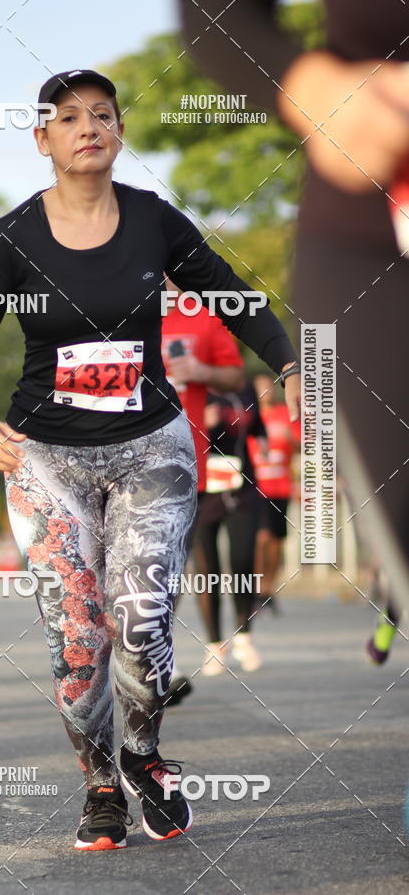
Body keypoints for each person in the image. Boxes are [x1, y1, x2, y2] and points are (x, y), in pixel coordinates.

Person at [0, 68, 300, 851]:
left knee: (140, 619)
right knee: (78, 637)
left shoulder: (153, 220)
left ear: (120, 132)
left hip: (151, 449)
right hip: (48, 460)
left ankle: (145, 757)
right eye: (69, 119)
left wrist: (292, 362)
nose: (88, 127)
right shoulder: (12, 239)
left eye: (103, 114)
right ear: (43, 139)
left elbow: (232, 296)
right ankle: (101, 785)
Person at [178, 0, 409, 618]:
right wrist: (309, 84)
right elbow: (216, 11)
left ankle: (250, 612)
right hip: (375, 229)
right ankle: (233, 628)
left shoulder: (212, 325)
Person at [161, 279, 244, 705]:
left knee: (163, 565)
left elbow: (236, 374)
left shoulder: (202, 317)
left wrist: (204, 373)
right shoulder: (109, 304)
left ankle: (159, 665)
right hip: (110, 456)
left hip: (180, 462)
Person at [193, 380, 267, 675]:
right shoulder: (193, 388)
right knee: (206, 570)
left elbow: (258, 423)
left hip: (242, 488)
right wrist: (200, 424)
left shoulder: (245, 389)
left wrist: (263, 440)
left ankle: (244, 636)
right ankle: (213, 644)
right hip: (203, 491)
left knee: (243, 561)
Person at [249, 372, 301, 615]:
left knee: (277, 540)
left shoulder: (284, 414)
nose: (264, 392)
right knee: (261, 536)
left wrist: (290, 438)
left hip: (281, 487)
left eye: (267, 387)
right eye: (259, 388)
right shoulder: (249, 416)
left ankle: (269, 588)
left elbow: (304, 443)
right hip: (256, 488)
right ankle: (256, 590)